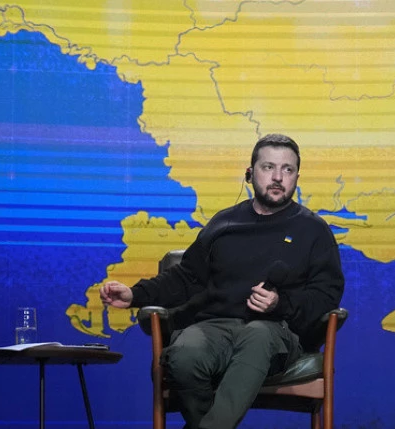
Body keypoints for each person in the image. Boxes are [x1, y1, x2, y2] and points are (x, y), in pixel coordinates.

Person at [100, 133, 344, 429]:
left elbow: (326, 295)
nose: (278, 177)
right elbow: (186, 277)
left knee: (257, 336)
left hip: (275, 331)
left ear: (297, 177)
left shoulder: (313, 230)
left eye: (287, 169)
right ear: (250, 172)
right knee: (184, 354)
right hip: (214, 326)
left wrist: (280, 304)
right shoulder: (224, 223)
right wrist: (135, 295)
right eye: (268, 167)